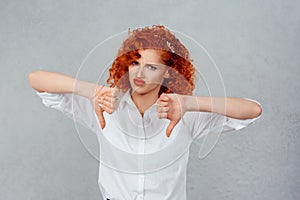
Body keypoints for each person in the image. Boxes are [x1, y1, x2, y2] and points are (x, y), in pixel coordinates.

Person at [28, 25, 262, 200]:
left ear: (168, 73)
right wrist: (92, 90)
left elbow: (252, 110)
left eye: (151, 67)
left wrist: (190, 104)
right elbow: (36, 79)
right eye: (134, 63)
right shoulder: (105, 105)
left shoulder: (183, 114)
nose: (139, 73)